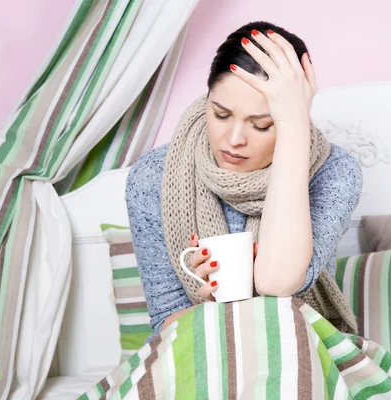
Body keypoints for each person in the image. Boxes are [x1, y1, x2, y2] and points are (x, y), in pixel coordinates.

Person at [125, 21, 362, 339]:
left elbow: (276, 282)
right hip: (200, 354)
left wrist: (293, 129)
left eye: (262, 125)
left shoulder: (333, 171)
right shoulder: (154, 176)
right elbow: (166, 320)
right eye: (221, 114)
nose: (234, 139)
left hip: (299, 349)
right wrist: (213, 305)